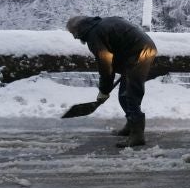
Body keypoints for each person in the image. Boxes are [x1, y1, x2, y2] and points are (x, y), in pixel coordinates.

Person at [66, 15, 157, 147]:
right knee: (123, 95)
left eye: (73, 33)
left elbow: (105, 65)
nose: (75, 37)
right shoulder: (101, 24)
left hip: (139, 53)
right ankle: (131, 125)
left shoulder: (94, 35)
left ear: (79, 29)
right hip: (137, 51)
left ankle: (137, 135)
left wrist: (104, 90)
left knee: (131, 94)